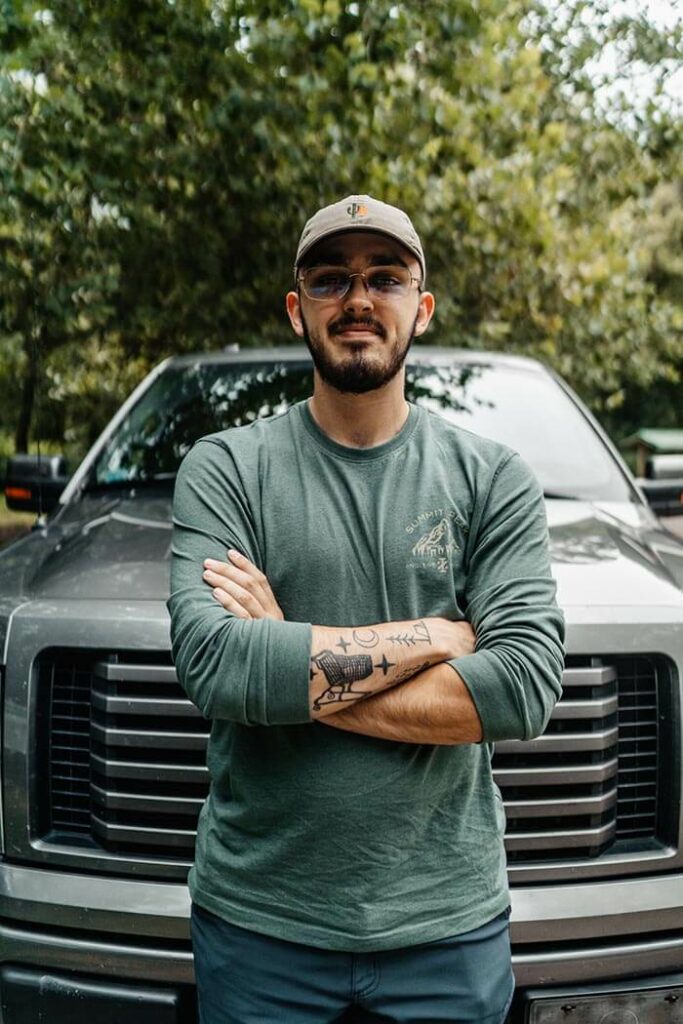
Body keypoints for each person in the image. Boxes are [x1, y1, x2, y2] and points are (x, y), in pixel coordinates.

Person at [168, 194, 566, 1023]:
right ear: (296, 307)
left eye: (384, 277)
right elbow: (214, 667)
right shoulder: (227, 469)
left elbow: (522, 689)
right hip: (259, 922)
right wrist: (435, 637)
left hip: (446, 925)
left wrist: (281, 654)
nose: (357, 298)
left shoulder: (491, 478)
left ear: (419, 308)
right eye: (329, 279)